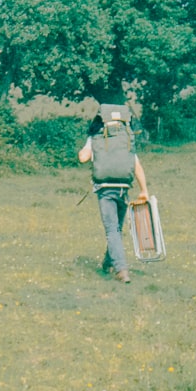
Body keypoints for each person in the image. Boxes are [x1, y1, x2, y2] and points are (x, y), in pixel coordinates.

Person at [77, 102, 149, 283]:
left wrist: (88, 145)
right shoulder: (125, 139)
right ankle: (107, 263)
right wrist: (144, 190)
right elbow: (136, 165)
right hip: (123, 189)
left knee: (112, 230)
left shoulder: (96, 137)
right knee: (116, 229)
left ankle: (121, 270)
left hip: (105, 190)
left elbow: (83, 158)